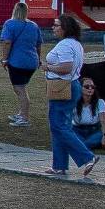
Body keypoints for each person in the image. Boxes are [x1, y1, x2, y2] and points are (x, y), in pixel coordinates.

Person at [42, 12, 99, 180]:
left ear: (65, 28)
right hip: (72, 86)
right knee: (59, 126)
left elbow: (66, 67)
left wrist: (48, 67)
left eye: (56, 25)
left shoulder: (65, 45)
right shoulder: (76, 44)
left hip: (63, 87)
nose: (53, 28)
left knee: (59, 126)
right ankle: (59, 166)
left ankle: (87, 156)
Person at [0, 0, 42, 128]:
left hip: (17, 62)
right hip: (32, 61)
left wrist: (5, 59)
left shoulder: (10, 24)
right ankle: (21, 113)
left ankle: (24, 117)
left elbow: (7, 42)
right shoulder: (34, 26)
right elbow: (38, 43)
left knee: (20, 89)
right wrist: (38, 58)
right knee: (21, 87)